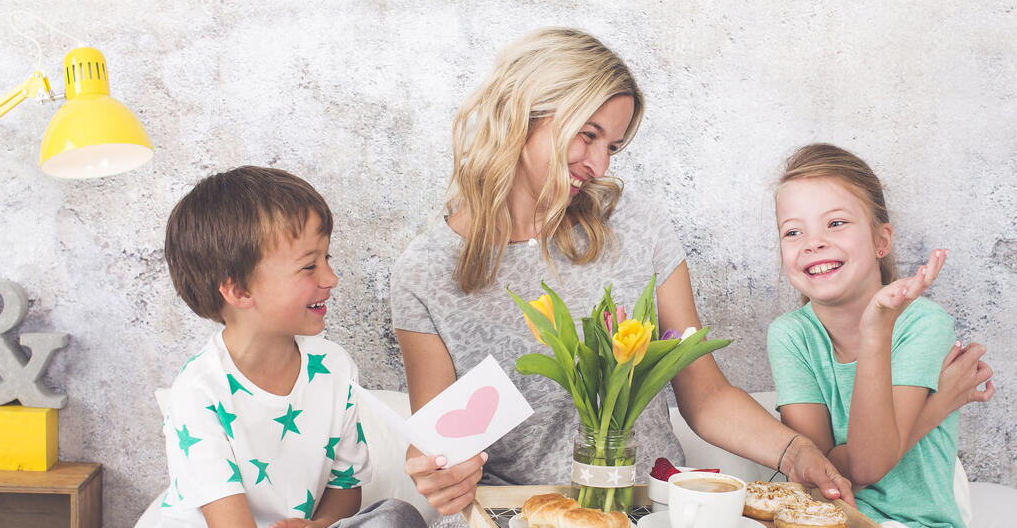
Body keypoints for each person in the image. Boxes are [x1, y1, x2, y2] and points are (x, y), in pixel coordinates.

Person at [389, 28, 991, 524]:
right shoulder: (426, 271)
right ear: (522, 114)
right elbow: (441, 439)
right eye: (587, 135)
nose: (598, 166)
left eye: (613, 147)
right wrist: (436, 468)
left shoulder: (633, 224)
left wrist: (799, 454)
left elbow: (703, 396)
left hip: (651, 510)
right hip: (521, 515)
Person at [161, 166, 426, 528]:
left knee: (397, 515)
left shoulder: (333, 366)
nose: (330, 278)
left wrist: (319, 525)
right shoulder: (199, 391)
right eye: (309, 266)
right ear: (239, 291)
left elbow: (345, 488)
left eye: (327, 259)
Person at [768, 144, 994, 528]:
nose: (813, 242)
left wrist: (877, 327)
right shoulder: (791, 336)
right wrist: (934, 409)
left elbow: (866, 464)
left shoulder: (922, 324)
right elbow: (816, 474)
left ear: (881, 240)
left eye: (835, 223)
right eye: (793, 231)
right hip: (824, 520)